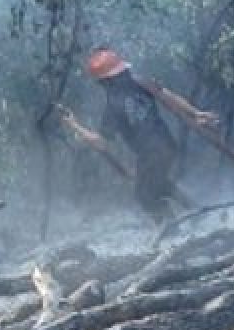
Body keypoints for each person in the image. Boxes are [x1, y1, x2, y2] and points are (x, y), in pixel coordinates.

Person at [64, 47, 219, 223]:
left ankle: (171, 225)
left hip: (151, 152)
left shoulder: (113, 106)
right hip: (167, 145)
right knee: (158, 185)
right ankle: (196, 212)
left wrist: (74, 125)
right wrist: (195, 113)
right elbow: (169, 96)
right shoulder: (141, 83)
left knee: (144, 195)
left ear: (105, 82)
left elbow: (102, 143)